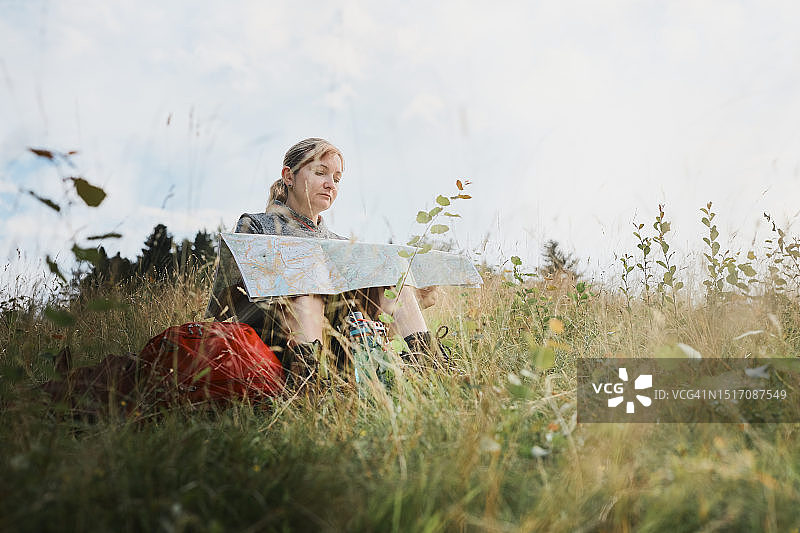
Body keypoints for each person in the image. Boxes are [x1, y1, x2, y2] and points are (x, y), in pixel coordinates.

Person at [223, 138, 442, 383]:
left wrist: (413, 291)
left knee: (393, 277)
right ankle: (309, 381)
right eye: (320, 173)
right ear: (289, 176)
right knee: (306, 287)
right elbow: (236, 298)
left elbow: (359, 306)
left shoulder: (342, 245)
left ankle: (430, 370)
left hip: (339, 342)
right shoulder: (255, 225)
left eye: (337, 179)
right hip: (275, 342)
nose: (330, 184)